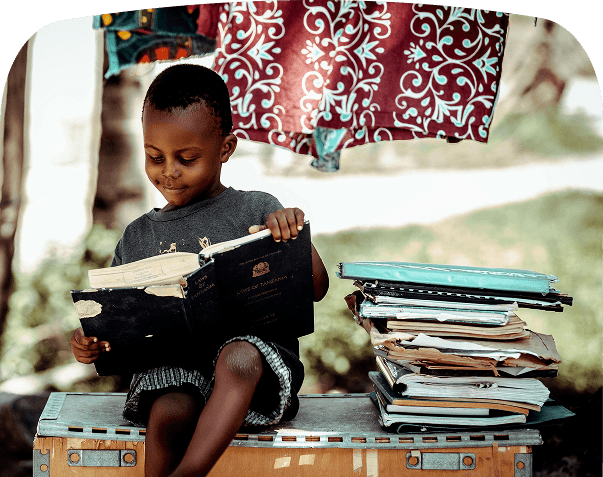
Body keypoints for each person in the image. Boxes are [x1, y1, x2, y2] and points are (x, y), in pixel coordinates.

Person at [70, 63, 329, 477]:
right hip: (177, 374)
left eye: (186, 158)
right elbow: (113, 321)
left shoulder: (257, 208)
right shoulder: (137, 236)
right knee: (170, 405)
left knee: (239, 356)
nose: (168, 171)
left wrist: (296, 236)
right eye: (155, 157)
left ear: (225, 149)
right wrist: (88, 340)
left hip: (252, 381)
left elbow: (316, 289)